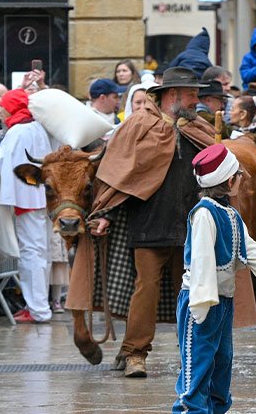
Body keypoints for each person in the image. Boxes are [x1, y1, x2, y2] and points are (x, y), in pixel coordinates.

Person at [86, 67, 215, 377]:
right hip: (149, 223)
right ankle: (134, 353)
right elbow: (117, 173)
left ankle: (193, 353)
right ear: (173, 95)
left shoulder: (199, 129)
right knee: (145, 288)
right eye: (193, 94)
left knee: (194, 292)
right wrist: (104, 213)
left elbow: (216, 174)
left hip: (190, 226)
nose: (198, 100)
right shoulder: (139, 126)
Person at [172, 144, 256, 414]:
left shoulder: (231, 214)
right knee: (198, 359)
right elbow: (201, 262)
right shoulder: (205, 214)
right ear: (227, 181)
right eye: (238, 174)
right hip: (201, 300)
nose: (243, 178)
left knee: (222, 359)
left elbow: (251, 250)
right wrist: (201, 302)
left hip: (222, 300)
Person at [0, 90, 56, 324]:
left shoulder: (18, 131)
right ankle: (40, 306)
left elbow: (6, 164)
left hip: (26, 200)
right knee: (41, 253)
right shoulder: (35, 127)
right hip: (38, 198)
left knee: (31, 253)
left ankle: (38, 309)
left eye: (3, 106)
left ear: (12, 107)